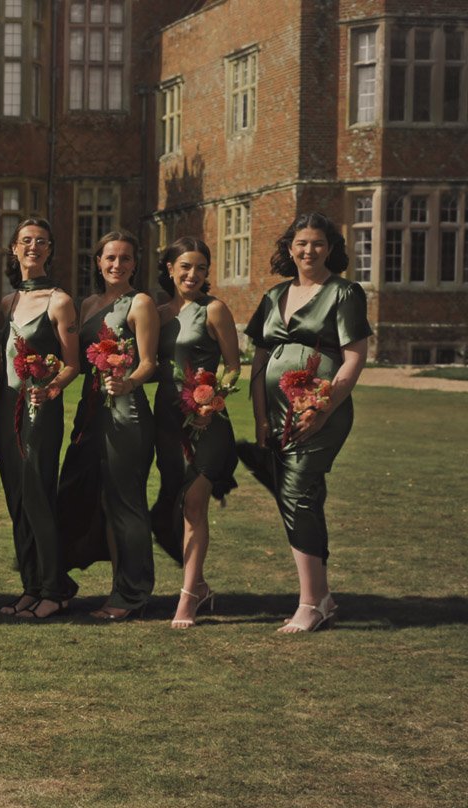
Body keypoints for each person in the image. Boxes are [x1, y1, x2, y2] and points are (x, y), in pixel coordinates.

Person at [245, 212, 371, 634]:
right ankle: (323, 598)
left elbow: (354, 357)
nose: (309, 250)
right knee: (298, 494)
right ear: (289, 248)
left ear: (331, 248)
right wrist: (261, 416)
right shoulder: (274, 294)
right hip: (277, 412)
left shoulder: (344, 293)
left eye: (318, 243)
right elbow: (261, 360)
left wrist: (324, 407)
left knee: (298, 490)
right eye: (301, 243)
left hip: (319, 408)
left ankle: (311, 602)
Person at [56, 230, 159, 620]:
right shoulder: (86, 305)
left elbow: (149, 361)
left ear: (135, 263)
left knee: (124, 501)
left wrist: (128, 381)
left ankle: (130, 593)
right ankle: (59, 580)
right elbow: (75, 359)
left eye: (126, 258)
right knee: (73, 491)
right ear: (97, 261)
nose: (118, 265)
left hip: (126, 410)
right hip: (89, 410)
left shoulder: (141, 303)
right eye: (110, 258)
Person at [0, 218, 80, 619]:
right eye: (26, 241)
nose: (33, 247)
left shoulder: (59, 301)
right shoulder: (7, 301)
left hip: (40, 406)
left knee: (38, 493)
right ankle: (31, 585)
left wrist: (50, 388)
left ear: (50, 250)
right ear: (14, 248)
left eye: (41, 241)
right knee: (16, 496)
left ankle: (56, 588)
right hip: (4, 404)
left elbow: (72, 364)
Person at [151, 237, 240, 629]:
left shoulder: (214, 309)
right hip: (166, 420)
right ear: (169, 269)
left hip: (206, 421)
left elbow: (234, 365)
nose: (193, 274)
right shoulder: (156, 313)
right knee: (174, 503)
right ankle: (199, 585)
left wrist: (212, 401)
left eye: (201, 267)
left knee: (193, 504)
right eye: (185, 266)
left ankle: (187, 599)